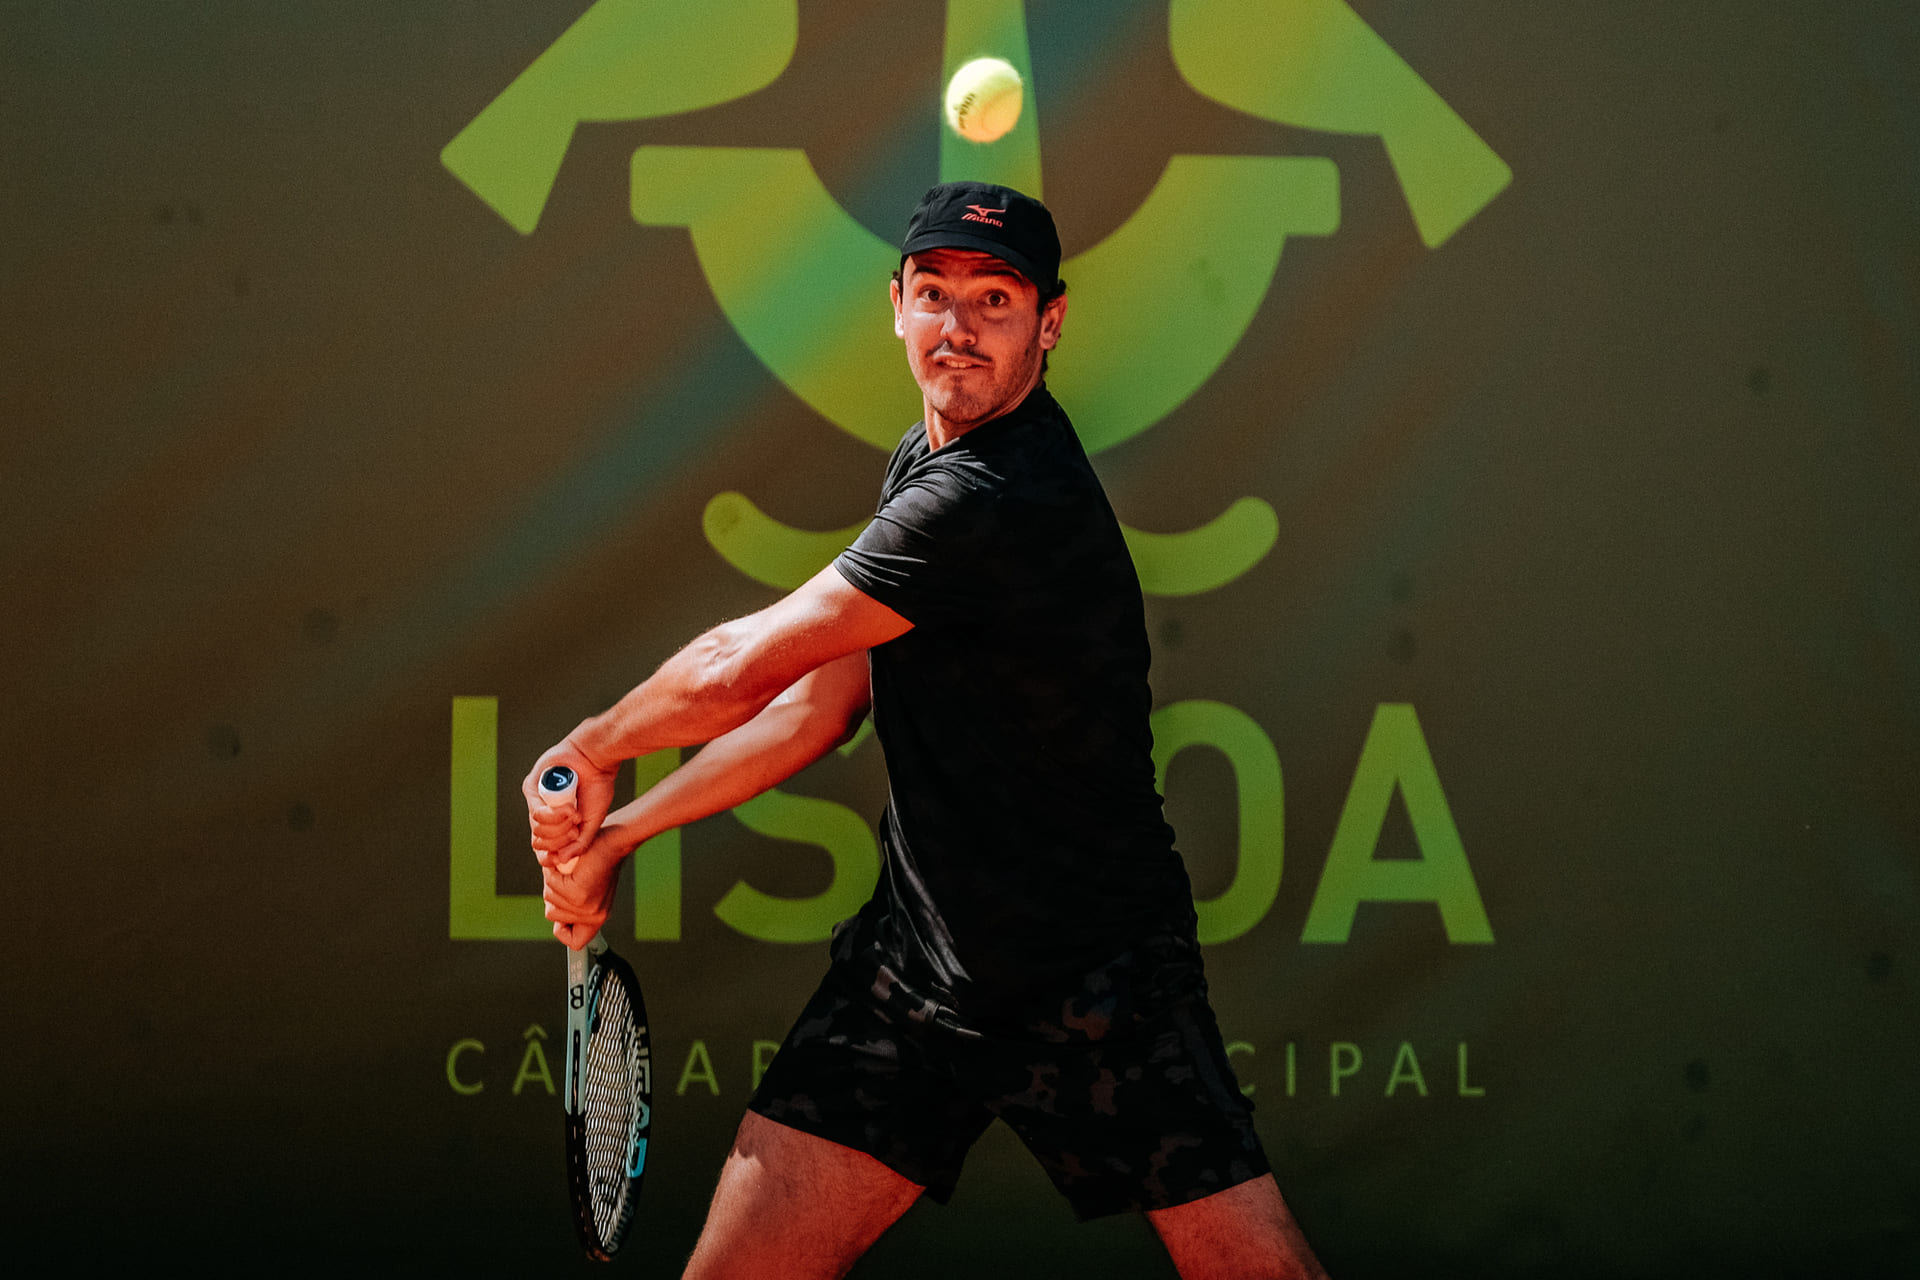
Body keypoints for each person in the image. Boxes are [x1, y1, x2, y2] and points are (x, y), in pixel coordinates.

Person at [524, 181, 1329, 1280]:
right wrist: (622, 835)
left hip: (1090, 973)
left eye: (996, 298)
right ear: (896, 306)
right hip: (917, 973)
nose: (960, 325)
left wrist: (591, 748)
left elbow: (743, 667)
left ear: (1049, 323)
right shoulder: (924, 462)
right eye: (936, 293)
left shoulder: (996, 495)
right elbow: (818, 706)